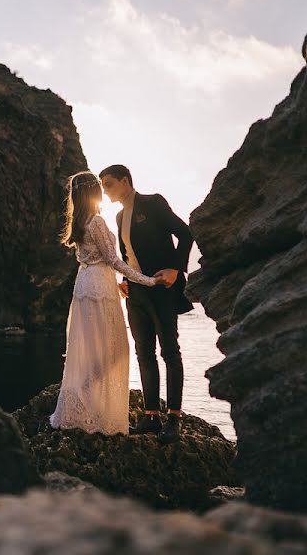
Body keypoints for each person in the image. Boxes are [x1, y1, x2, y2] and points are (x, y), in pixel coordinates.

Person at [49, 171, 163, 435]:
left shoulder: (78, 222)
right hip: (98, 287)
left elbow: (94, 259)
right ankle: (97, 413)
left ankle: (84, 406)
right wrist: (146, 280)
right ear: (93, 192)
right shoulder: (97, 221)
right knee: (113, 351)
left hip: (85, 285)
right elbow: (113, 260)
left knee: (91, 350)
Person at [100, 164, 194, 444]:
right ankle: (151, 415)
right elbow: (128, 256)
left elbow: (185, 233)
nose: (105, 191)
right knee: (144, 354)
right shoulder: (117, 217)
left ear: (125, 181)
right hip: (137, 294)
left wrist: (175, 269)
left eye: (109, 184)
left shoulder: (153, 203)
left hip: (163, 288)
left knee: (170, 352)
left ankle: (174, 418)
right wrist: (125, 280)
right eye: (102, 186)